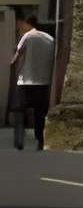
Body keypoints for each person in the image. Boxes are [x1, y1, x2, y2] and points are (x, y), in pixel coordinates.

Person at [8, 15, 50, 150]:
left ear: (28, 24)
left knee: (19, 110)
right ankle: (40, 140)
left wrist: (14, 66)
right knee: (40, 113)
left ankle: (19, 141)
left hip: (26, 81)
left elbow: (14, 59)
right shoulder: (50, 39)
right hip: (43, 82)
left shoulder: (27, 36)